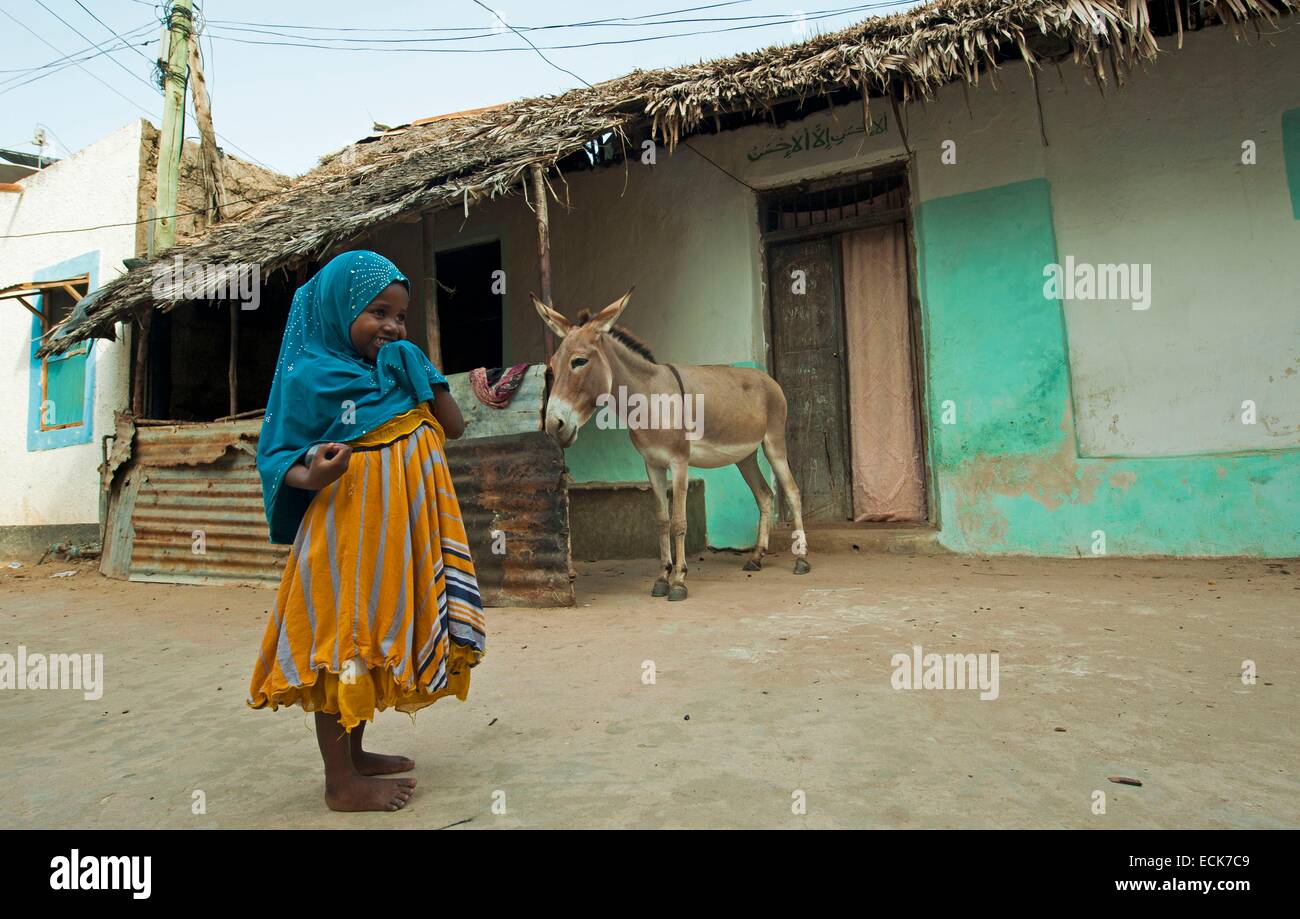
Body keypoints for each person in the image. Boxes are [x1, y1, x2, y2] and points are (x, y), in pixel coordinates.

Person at [248, 249, 485, 812]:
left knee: (376, 631)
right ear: (339, 309)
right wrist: (315, 471)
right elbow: (279, 457)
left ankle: (355, 755)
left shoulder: (396, 367)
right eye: (378, 312)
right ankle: (340, 783)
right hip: (344, 534)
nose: (391, 326)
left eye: (400, 316)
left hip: (398, 533)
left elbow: (453, 425)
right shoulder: (310, 375)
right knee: (340, 640)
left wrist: (422, 367)